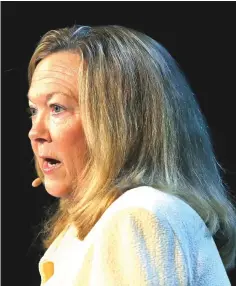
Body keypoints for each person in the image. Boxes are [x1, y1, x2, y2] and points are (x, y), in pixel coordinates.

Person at [27, 25, 235, 285]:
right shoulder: (104, 222)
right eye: (34, 110)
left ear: (122, 123)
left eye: (57, 108)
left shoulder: (138, 216)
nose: (35, 132)